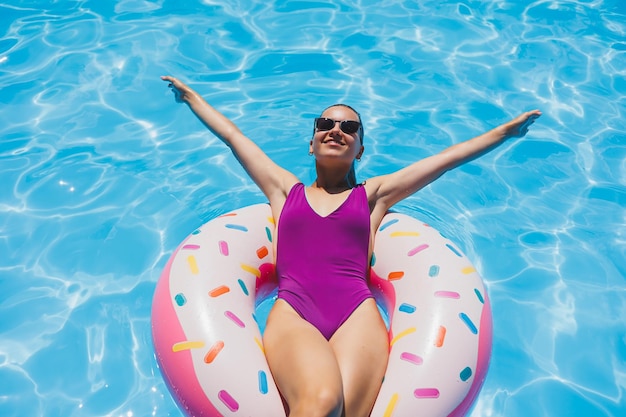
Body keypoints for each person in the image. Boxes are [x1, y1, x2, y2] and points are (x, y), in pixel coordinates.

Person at [161, 75, 541, 417]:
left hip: (357, 315)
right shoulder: (284, 190)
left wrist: (504, 133)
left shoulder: (373, 196)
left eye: (349, 127)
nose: (336, 130)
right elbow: (234, 137)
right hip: (295, 311)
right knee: (323, 400)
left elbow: (443, 161)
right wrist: (192, 97)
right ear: (311, 143)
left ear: (359, 148)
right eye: (325, 124)